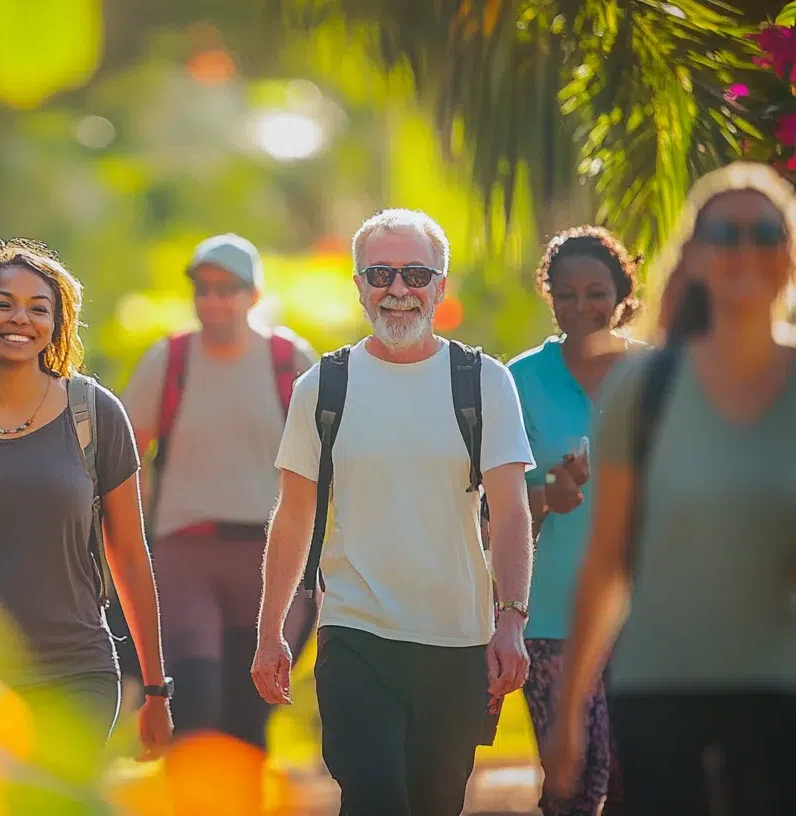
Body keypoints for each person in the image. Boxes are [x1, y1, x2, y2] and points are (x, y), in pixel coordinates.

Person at [252, 209, 535, 815]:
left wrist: (510, 620)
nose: (398, 290)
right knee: (374, 798)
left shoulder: (482, 382)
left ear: (439, 287)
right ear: (358, 285)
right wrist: (271, 630)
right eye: (380, 273)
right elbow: (295, 515)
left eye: (414, 273)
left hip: (458, 640)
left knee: (436, 803)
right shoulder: (323, 387)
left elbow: (511, 513)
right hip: (356, 635)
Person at [546, 162, 796, 815]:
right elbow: (605, 564)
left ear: (789, 254)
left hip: (779, 687)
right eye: (725, 234)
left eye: (764, 231)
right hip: (659, 687)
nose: (745, 249)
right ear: (697, 258)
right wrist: (570, 710)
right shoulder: (643, 387)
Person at [0, 238, 172, 797]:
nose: (20, 318)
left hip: (76, 672)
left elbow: (131, 557)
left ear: (57, 323)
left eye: (38, 307)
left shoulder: (96, 414)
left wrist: (158, 689)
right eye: (4, 303)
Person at [120, 233, 314, 756]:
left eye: (226, 289)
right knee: (196, 708)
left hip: (269, 560)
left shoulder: (289, 360)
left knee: (250, 719)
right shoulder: (169, 360)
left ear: (252, 294)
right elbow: (125, 458)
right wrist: (129, 537)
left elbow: (326, 460)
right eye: (203, 289)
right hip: (185, 557)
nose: (212, 301)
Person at [507, 226, 644, 816]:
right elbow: (497, 506)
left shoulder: (658, 372)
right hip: (552, 614)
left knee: (634, 777)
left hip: (646, 612)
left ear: (621, 293)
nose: (581, 306)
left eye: (595, 292)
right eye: (566, 294)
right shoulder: (519, 380)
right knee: (572, 784)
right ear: (550, 296)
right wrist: (549, 497)